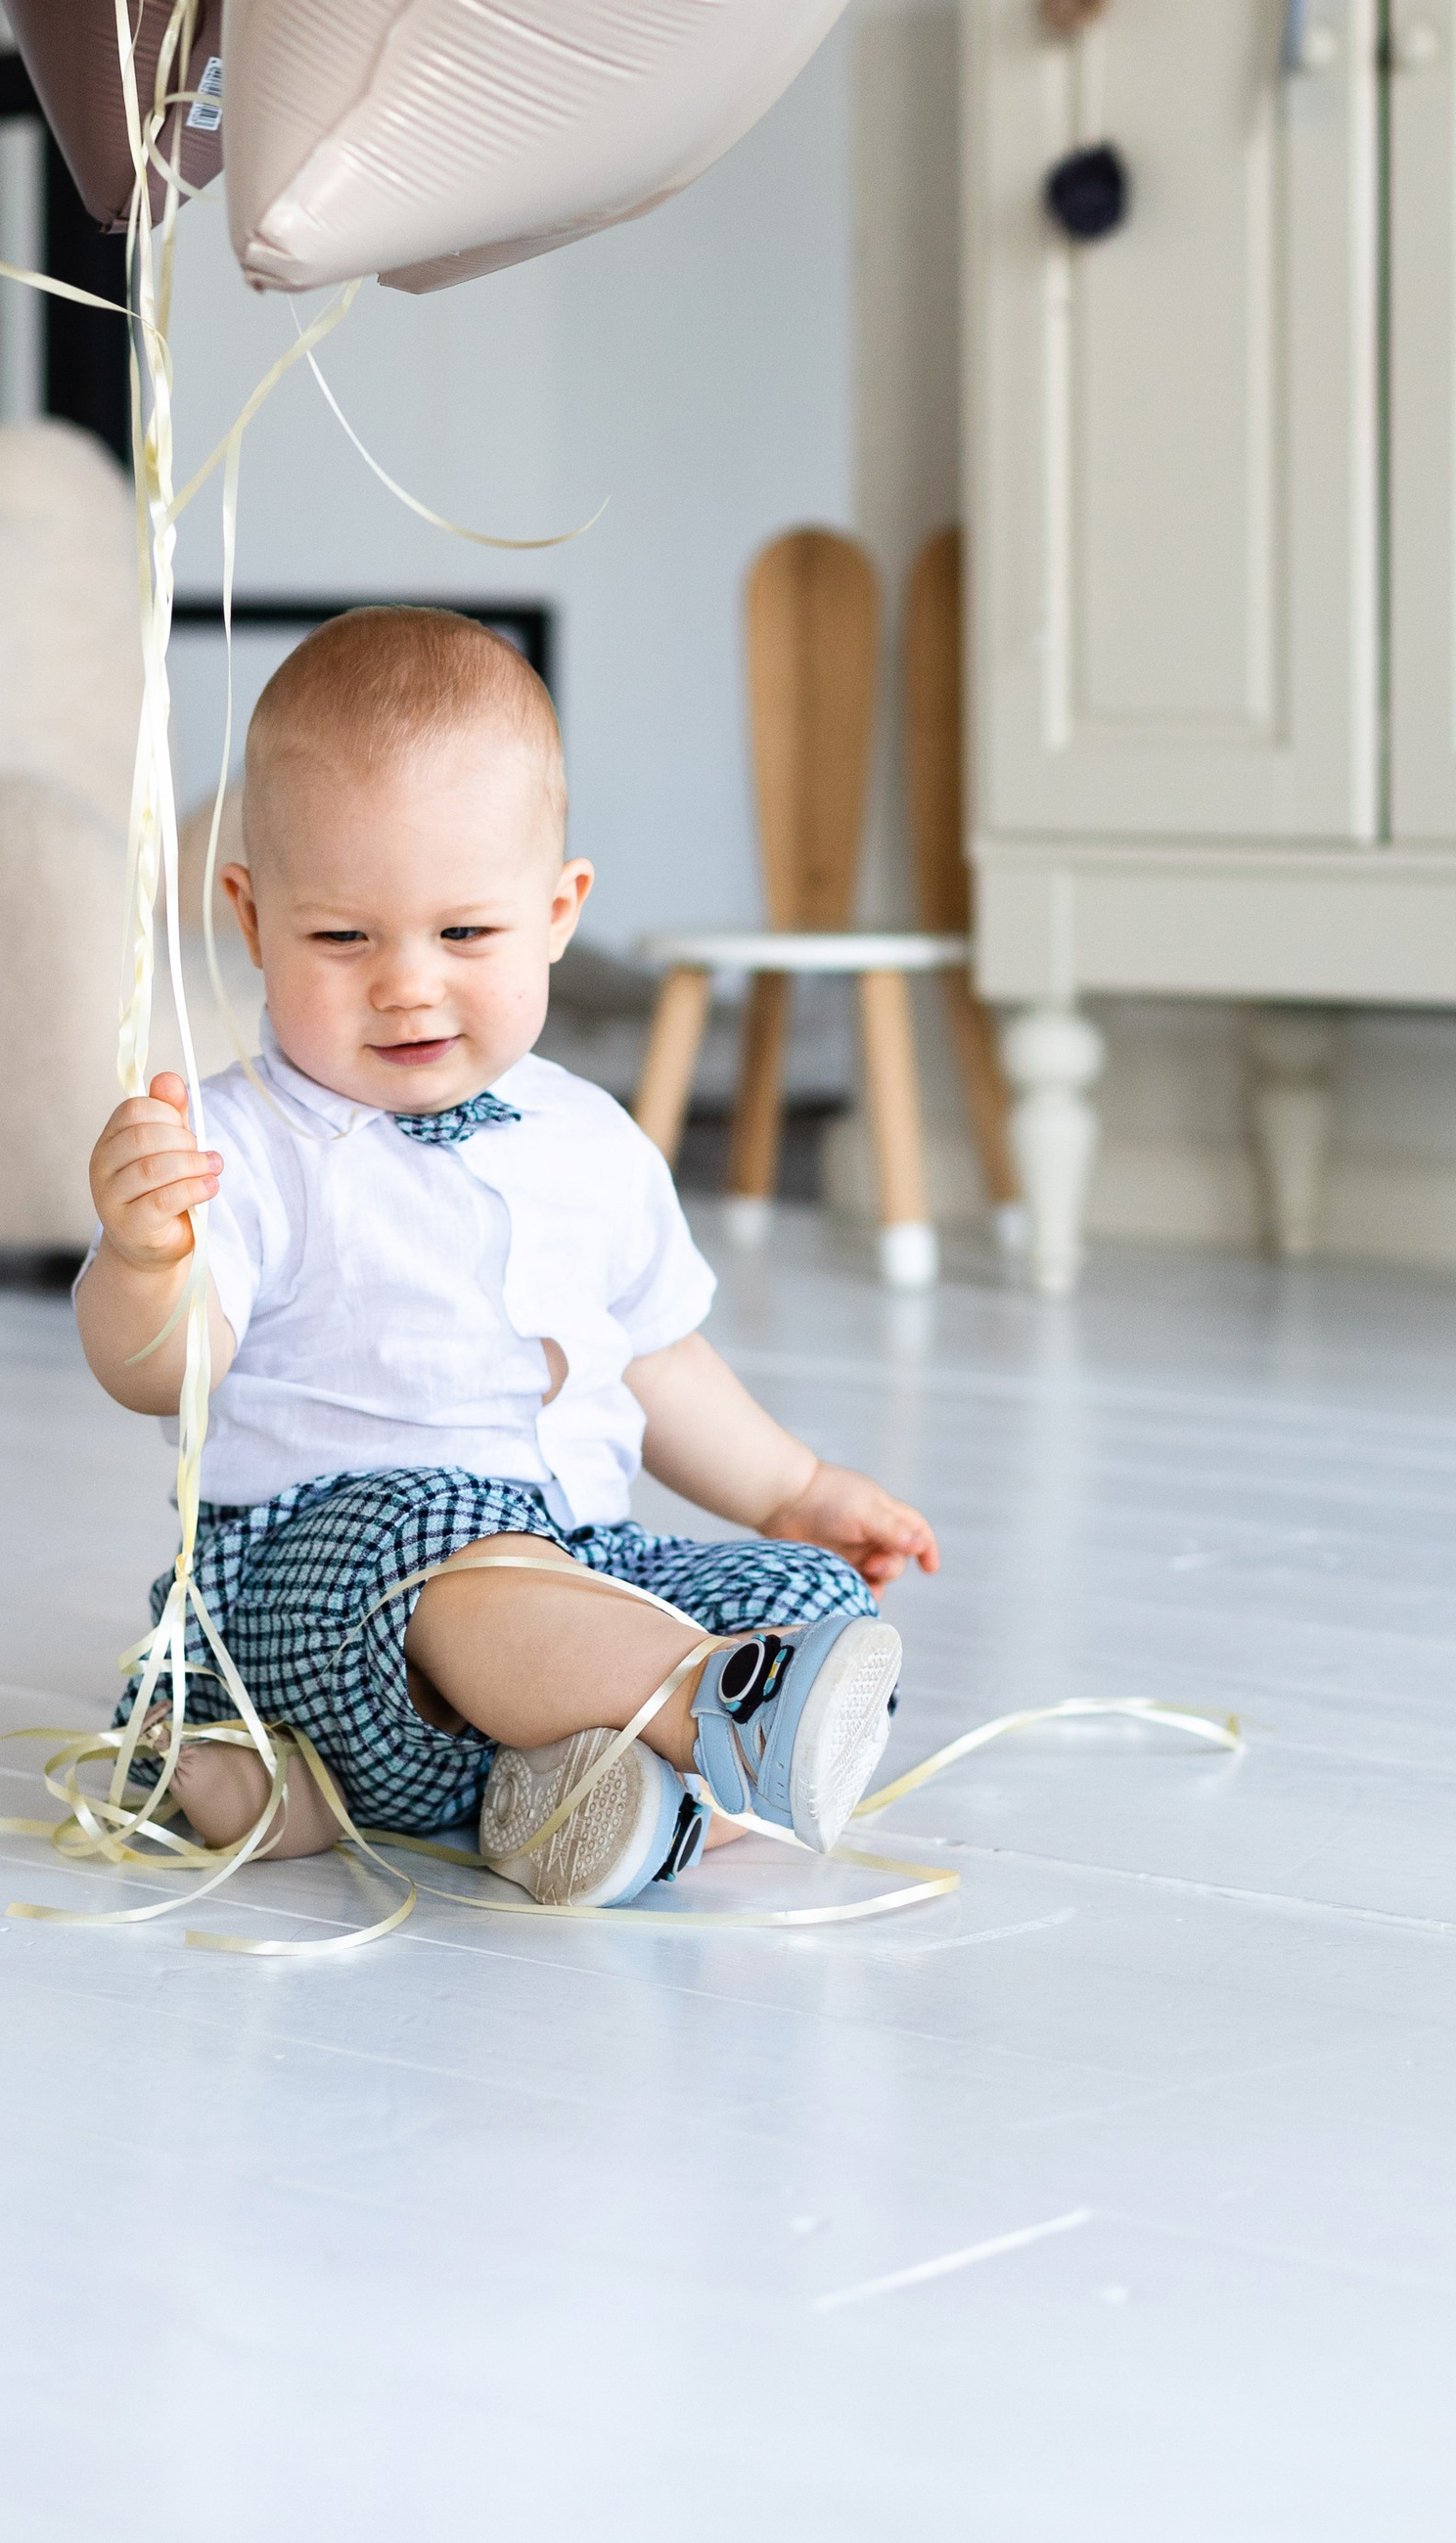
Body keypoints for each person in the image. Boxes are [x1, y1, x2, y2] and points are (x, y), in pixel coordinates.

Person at [78, 603, 938, 1908]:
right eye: (343, 938)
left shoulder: (588, 1138)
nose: (408, 983)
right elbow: (160, 1375)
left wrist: (790, 1489)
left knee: (807, 1600)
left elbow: (653, 1355)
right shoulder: (243, 1147)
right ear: (253, 921)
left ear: (556, 912)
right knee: (454, 1552)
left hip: (575, 1572)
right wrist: (148, 1260)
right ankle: (703, 1713)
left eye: (464, 934)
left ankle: (599, 1799)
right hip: (334, 1585)